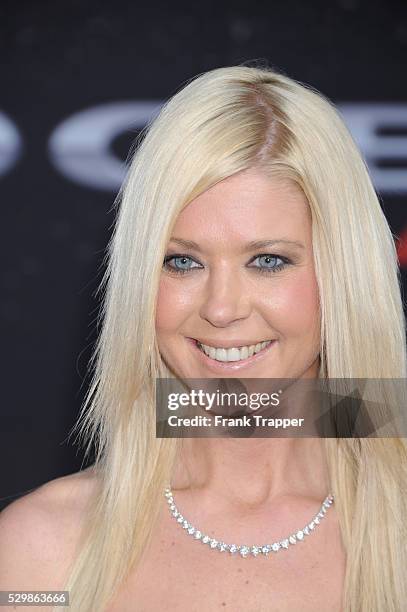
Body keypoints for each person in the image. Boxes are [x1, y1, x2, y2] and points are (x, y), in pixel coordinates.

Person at [1, 63, 406, 612]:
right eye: (181, 261)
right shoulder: (41, 551)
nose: (220, 309)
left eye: (267, 261)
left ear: (344, 274)